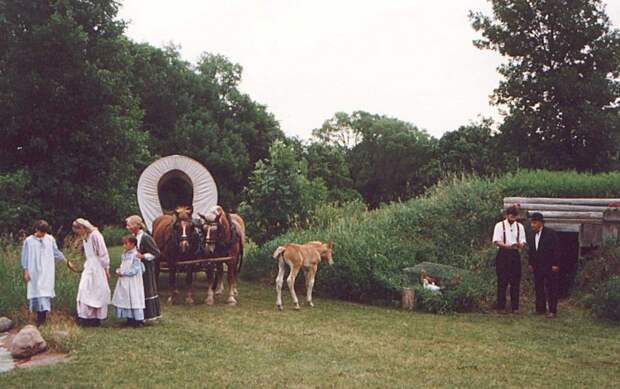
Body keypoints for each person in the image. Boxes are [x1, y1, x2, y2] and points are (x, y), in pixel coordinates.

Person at [20, 220, 65, 326]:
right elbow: (25, 257)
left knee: (44, 293)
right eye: (41, 232)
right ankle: (39, 319)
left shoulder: (50, 239)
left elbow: (56, 252)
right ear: (36, 230)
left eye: (44, 232)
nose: (43, 234)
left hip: (46, 271)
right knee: (37, 293)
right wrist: (26, 270)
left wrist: (66, 260)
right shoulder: (29, 241)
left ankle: (42, 319)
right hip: (34, 271)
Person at [73, 218, 111, 327]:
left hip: (97, 266)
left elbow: (103, 253)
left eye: (78, 230)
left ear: (83, 228)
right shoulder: (86, 236)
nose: (78, 234)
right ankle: (86, 316)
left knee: (97, 290)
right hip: (89, 265)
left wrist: (106, 268)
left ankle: (96, 317)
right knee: (85, 289)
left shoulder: (95, 235)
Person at [125, 215, 161, 321]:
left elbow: (156, 253)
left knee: (146, 288)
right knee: (135, 290)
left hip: (145, 269)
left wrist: (143, 256)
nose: (127, 227)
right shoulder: (132, 237)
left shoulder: (145, 237)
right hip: (134, 269)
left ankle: (147, 315)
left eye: (129, 225)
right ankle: (135, 315)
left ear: (137, 225)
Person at [492, 205, 526, 313]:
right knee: (502, 281)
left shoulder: (520, 226)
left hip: (515, 255)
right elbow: (497, 241)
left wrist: (520, 245)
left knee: (515, 282)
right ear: (507, 215)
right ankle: (501, 307)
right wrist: (507, 246)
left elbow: (523, 241)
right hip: (503, 254)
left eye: (515, 215)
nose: (513, 217)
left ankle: (515, 307)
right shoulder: (499, 225)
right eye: (511, 215)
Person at [526, 212, 561, 319]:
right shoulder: (531, 234)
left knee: (551, 288)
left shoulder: (551, 233)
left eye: (535, 223)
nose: (532, 225)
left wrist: (556, 264)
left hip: (549, 265)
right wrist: (530, 263)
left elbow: (557, 250)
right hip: (537, 266)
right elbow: (531, 251)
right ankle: (540, 309)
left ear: (541, 223)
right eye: (531, 223)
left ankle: (552, 310)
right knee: (539, 287)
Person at [112, 235, 146, 327]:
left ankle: (138, 320)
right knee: (126, 297)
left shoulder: (135, 255)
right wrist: (119, 270)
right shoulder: (125, 254)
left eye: (126, 243)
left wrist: (123, 273)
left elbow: (135, 270)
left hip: (133, 281)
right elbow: (124, 265)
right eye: (124, 244)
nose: (124, 245)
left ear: (133, 244)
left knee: (134, 297)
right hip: (125, 280)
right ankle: (129, 318)